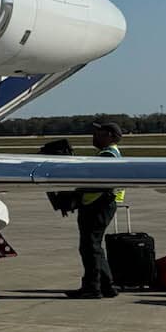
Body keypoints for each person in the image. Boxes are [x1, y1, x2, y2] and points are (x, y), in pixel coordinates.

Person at [68, 122, 126, 298]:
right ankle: (106, 285)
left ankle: (92, 287)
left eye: (99, 132)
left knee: (89, 247)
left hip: (98, 205)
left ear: (109, 135)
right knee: (94, 246)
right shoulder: (109, 154)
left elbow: (99, 183)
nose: (94, 135)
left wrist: (77, 191)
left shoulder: (107, 155)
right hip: (101, 204)